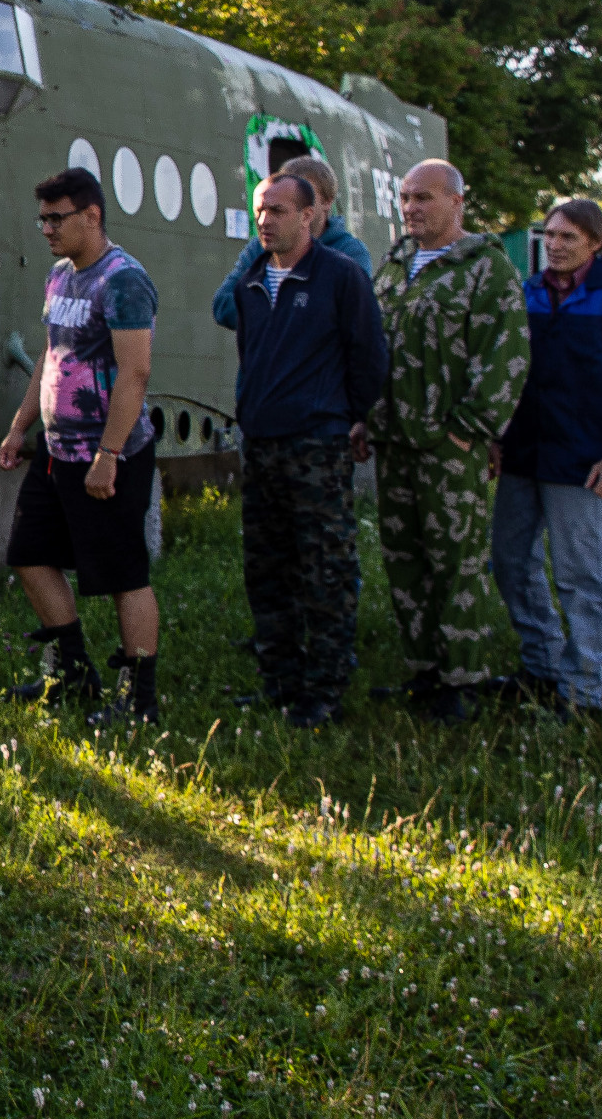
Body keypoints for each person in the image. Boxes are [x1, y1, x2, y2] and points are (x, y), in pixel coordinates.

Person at [220, 174, 389, 728]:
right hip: (262, 445)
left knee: (325, 570)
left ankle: (325, 690)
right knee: (267, 569)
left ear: (310, 216)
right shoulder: (250, 280)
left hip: (317, 445)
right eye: (260, 210)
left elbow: (368, 356)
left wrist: (351, 417)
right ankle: (280, 682)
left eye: (279, 210)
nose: (266, 220)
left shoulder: (340, 277)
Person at [0, 167, 162, 723]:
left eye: (56, 217)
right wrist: (21, 426)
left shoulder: (123, 279)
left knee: (122, 574)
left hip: (108, 455)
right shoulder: (60, 276)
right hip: (56, 450)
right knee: (29, 555)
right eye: (41, 218)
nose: (46, 228)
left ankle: (139, 699)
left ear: (92, 215)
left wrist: (108, 455)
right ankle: (73, 674)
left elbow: (134, 374)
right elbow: (51, 355)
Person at [365, 160, 530, 723]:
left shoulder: (487, 269)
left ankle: (463, 678)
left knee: (455, 563)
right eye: (407, 198)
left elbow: (505, 359)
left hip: (447, 445)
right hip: (392, 440)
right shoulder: (394, 263)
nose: (412, 208)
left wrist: (469, 433)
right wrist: (365, 415)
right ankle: (424, 670)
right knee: (404, 559)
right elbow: (371, 344)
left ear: (457, 202)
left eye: (425, 199)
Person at [491, 198, 602, 716]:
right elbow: (508, 371)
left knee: (579, 574)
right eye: (551, 236)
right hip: (523, 453)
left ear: (595, 244)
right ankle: (541, 664)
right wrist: (496, 435)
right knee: (510, 560)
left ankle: (584, 689)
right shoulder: (527, 295)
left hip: (582, 459)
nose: (556, 246)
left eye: (569, 237)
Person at [210, 153, 373, 326]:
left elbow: (348, 312)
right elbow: (223, 304)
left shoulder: (350, 252)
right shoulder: (262, 247)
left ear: (327, 202)